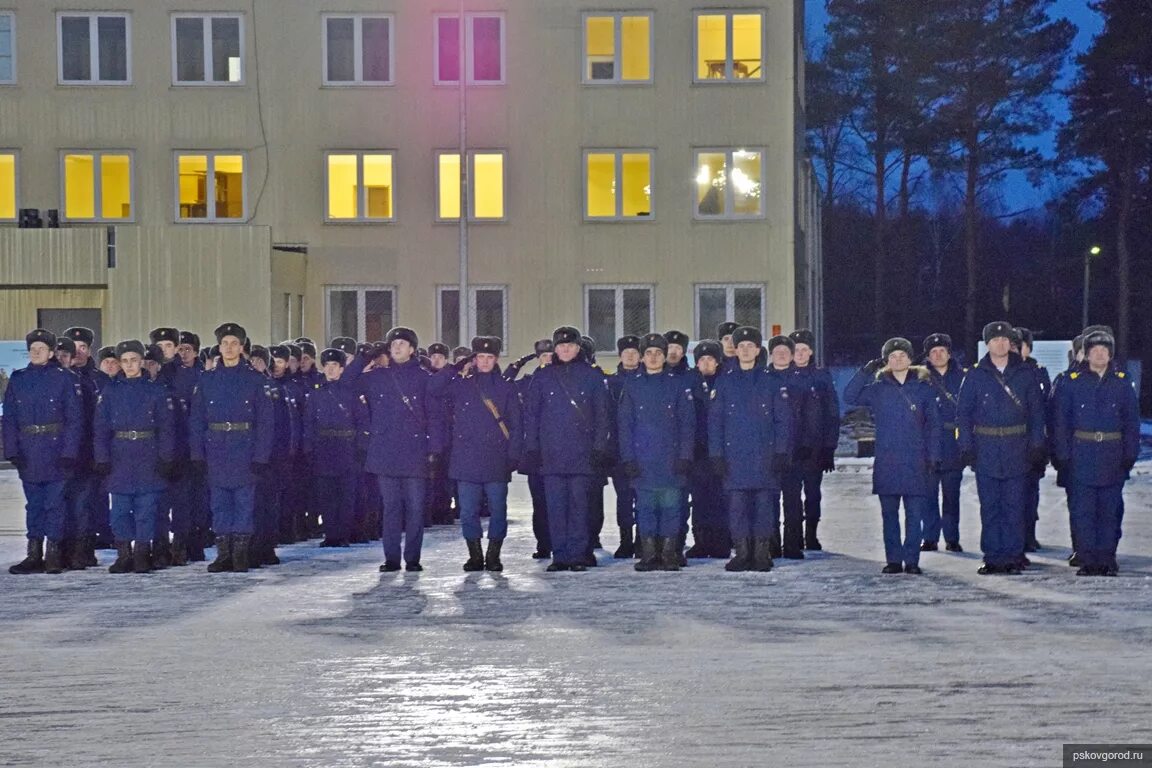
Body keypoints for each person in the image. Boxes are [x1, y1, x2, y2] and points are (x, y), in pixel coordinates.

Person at [347, 327, 446, 572]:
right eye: (394, 343)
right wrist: (365, 356)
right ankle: (391, 558)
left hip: (415, 450)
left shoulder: (424, 378)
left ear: (412, 349)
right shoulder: (377, 377)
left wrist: (434, 448)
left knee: (415, 507)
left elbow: (434, 416)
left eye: (403, 343)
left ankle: (412, 558)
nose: (398, 347)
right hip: (385, 450)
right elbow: (346, 385)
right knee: (390, 507)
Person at [844, 338, 942, 574]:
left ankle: (912, 561)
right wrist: (865, 371)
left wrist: (933, 455)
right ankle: (894, 560)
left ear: (910, 359)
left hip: (916, 460)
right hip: (887, 461)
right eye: (892, 356)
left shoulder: (923, 388)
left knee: (913, 515)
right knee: (889, 515)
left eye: (902, 355)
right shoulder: (878, 389)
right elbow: (850, 396)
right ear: (886, 362)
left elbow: (934, 425)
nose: (898, 360)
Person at [956, 321, 1046, 575]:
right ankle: (993, 556)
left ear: (1011, 344)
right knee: (991, 506)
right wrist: (966, 446)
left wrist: (1037, 445)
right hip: (986, 449)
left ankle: (1013, 555)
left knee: (1014, 506)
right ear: (987, 344)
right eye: (995, 340)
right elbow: (963, 414)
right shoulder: (975, 374)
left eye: (1005, 340)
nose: (1001, 343)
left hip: (1017, 447)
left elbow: (1037, 414)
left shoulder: (1025, 373)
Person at [523, 326, 611, 573]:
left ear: (578, 348)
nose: (565, 349)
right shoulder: (543, 377)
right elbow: (532, 415)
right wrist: (532, 448)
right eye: (560, 346)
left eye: (570, 345)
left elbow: (602, 416)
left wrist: (599, 448)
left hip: (582, 454)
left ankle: (578, 554)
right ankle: (560, 555)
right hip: (551, 454)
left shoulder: (592, 377)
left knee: (580, 507)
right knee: (556, 507)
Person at [188, 323, 275, 573]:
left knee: (244, 503)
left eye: (234, 343)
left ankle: (241, 554)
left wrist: (261, 456)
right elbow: (197, 420)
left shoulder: (255, 380)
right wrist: (197, 454)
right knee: (219, 503)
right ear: (218, 347)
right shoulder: (207, 380)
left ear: (242, 347)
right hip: (216, 447)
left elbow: (265, 422)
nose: (229, 348)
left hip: (244, 447)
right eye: (225, 343)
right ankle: (223, 553)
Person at [431, 336, 522, 572]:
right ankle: (475, 555)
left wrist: (513, 455)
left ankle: (493, 555)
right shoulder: (461, 385)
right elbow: (433, 389)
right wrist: (454, 367)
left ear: (496, 359)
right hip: (466, 458)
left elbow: (517, 423)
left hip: (496, 457)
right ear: (474, 359)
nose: (484, 361)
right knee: (468, 511)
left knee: (498, 510)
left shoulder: (505, 387)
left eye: (489, 357)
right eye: (480, 357)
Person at [1052, 331, 1139, 576]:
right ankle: (1088, 559)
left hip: (1112, 456)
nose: (1100, 354)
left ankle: (1107, 559)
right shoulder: (1071, 382)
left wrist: (1129, 454)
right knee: (1083, 512)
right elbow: (1061, 422)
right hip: (1081, 455)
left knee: (1109, 512)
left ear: (1110, 354)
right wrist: (1063, 455)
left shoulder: (1122, 382)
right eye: (1095, 350)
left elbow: (1131, 422)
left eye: (1104, 350)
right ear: (1086, 354)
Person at [709, 326, 792, 572]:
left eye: (750, 346)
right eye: (741, 346)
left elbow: (783, 421)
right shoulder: (724, 382)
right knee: (737, 509)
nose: (745, 350)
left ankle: (761, 554)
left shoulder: (772, 381)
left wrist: (781, 451)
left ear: (758, 350)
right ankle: (742, 553)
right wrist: (716, 454)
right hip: (734, 457)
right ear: (735, 351)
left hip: (765, 457)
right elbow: (716, 422)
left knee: (764, 508)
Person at [92, 340, 178, 573]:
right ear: (120, 364)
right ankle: (123, 554)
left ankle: (142, 553)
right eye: (125, 361)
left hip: (147, 454)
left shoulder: (156, 390)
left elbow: (167, 427)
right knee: (119, 510)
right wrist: (102, 458)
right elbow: (100, 429)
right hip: (119, 455)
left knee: (146, 509)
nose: (129, 365)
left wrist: (166, 457)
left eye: (133, 360)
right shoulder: (110, 391)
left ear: (142, 361)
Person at [3, 330, 85, 575]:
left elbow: (74, 419)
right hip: (29, 451)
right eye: (33, 348)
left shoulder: (64, 379)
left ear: (51, 353)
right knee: (34, 505)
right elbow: (10, 419)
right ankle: (34, 553)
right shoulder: (18, 379)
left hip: (56, 449)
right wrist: (12, 450)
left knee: (55, 504)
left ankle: (53, 554)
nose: (36, 352)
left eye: (41, 348)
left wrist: (70, 451)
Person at [617, 334, 695, 571]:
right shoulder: (632, 386)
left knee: (672, 509)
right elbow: (625, 425)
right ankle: (649, 555)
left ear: (664, 356)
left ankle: (669, 554)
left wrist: (685, 456)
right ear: (642, 356)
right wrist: (628, 457)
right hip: (643, 461)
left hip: (671, 461)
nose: (653, 357)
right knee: (646, 509)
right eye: (648, 353)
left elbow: (687, 424)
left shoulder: (678, 384)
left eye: (658, 353)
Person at [302, 349, 368, 548]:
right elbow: (309, 422)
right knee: (326, 494)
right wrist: (308, 447)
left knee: (346, 493)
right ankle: (330, 533)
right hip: (324, 448)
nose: (330, 370)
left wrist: (361, 447)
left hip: (346, 447)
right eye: (327, 366)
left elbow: (362, 421)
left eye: (334, 366)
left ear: (341, 369)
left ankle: (343, 533)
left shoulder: (352, 392)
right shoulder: (316, 393)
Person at [785, 328, 840, 552]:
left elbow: (832, 414)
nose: (799, 354)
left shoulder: (821, 376)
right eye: (796, 350)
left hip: (815, 450)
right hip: (789, 449)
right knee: (790, 496)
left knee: (813, 496)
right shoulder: (782, 375)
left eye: (804, 350)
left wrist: (829, 448)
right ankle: (793, 537)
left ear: (811, 352)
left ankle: (811, 535)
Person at [506, 339, 554, 560]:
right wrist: (518, 363)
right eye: (542, 355)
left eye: (550, 354)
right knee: (540, 504)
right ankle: (543, 543)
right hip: (535, 453)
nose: (547, 359)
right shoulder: (527, 382)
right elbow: (504, 383)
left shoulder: (562, 380)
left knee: (560, 502)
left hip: (557, 449)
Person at [920, 333, 967, 553]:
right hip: (927, 443)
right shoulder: (920, 378)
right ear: (928, 356)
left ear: (949, 354)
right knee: (927, 495)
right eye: (933, 352)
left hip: (952, 442)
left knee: (951, 495)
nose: (938, 355)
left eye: (942, 351)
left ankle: (952, 537)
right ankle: (929, 536)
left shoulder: (962, 377)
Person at [685, 340, 730, 558]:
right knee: (700, 499)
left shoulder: (725, 383)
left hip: (721, 452)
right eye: (701, 359)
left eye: (710, 359)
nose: (705, 363)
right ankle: (701, 541)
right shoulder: (690, 384)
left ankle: (721, 542)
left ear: (717, 361)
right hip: (698, 452)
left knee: (720, 498)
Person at [765, 334, 804, 558]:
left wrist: (808, 445)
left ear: (791, 355)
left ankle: (792, 543)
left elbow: (810, 417)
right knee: (769, 499)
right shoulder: (763, 378)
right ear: (771, 354)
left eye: (785, 351)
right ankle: (770, 543)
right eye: (777, 350)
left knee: (792, 500)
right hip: (768, 451)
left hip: (795, 450)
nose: (781, 354)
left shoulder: (800, 380)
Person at [1015, 327, 1051, 553]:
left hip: (1033, 442)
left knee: (1030, 492)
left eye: (1021, 346)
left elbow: (1046, 403)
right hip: (1010, 441)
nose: (1017, 350)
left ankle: (1029, 533)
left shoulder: (1038, 372)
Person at [606, 335, 642, 558]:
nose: (630, 355)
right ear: (620, 355)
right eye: (626, 352)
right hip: (619, 450)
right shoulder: (610, 383)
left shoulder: (647, 379)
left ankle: (643, 539)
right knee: (624, 498)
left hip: (644, 448)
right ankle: (625, 539)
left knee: (643, 496)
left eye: (634, 352)